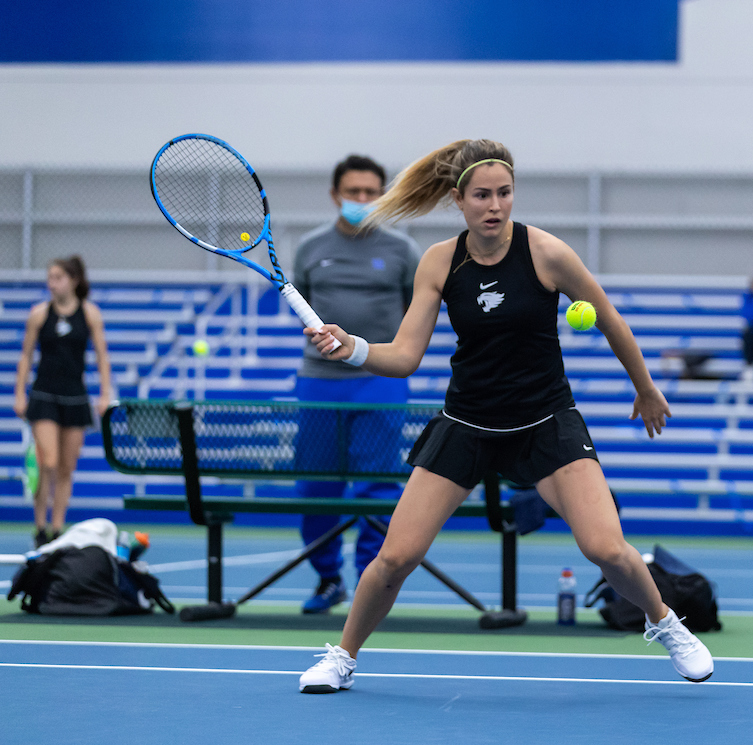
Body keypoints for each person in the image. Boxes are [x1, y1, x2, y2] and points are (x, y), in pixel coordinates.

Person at [296, 138, 713, 692]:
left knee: (607, 549)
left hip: (545, 421)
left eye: (505, 193)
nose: (495, 206)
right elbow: (405, 357)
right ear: (458, 199)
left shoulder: (547, 253)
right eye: (482, 195)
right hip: (467, 423)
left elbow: (610, 318)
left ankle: (666, 623)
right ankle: (342, 658)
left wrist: (646, 388)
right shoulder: (440, 261)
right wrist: (353, 348)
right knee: (396, 557)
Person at [291, 154, 422, 614]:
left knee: (377, 488)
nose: (362, 199)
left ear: (383, 195)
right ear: (335, 195)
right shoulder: (309, 248)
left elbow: (413, 310)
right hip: (319, 383)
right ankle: (328, 578)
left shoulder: (404, 251)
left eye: (371, 192)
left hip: (380, 383)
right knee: (316, 488)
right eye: (353, 192)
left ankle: (372, 581)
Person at [13, 256, 112, 546]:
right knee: (49, 461)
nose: (52, 283)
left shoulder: (90, 314)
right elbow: (26, 355)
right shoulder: (39, 314)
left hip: (75, 397)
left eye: (58, 277)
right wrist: (19, 393)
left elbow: (102, 356)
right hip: (44, 395)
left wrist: (105, 393)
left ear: (74, 280)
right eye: (50, 278)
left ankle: (57, 531)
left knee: (66, 468)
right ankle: (40, 528)